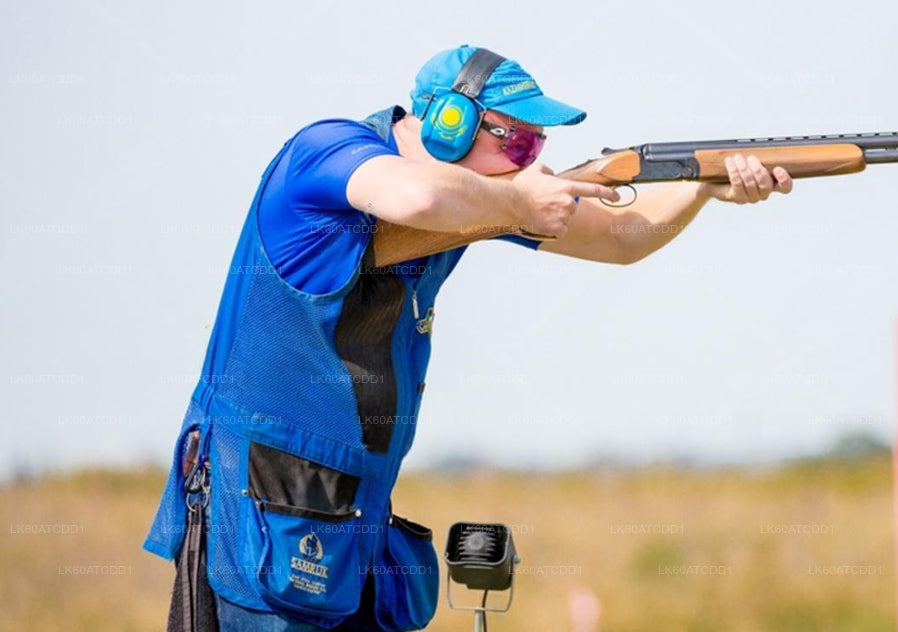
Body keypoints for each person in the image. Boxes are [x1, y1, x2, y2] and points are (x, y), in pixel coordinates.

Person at [144, 45, 793, 632]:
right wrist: (519, 201)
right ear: (449, 121)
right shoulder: (325, 148)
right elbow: (418, 199)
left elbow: (624, 238)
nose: (526, 163)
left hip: (352, 523)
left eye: (535, 149)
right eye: (517, 143)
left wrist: (702, 183)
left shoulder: (479, 202)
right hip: (257, 515)